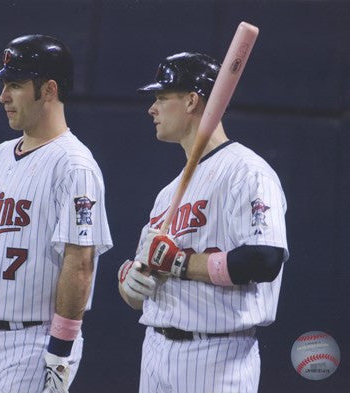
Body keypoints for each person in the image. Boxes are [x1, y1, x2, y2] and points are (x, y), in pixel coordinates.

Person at [118, 52, 288, 393]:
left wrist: (180, 263)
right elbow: (144, 283)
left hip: (218, 356)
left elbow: (264, 259)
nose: (152, 109)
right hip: (155, 348)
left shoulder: (246, 171)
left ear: (192, 100)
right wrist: (132, 282)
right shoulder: (167, 194)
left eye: (162, 98)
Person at [0, 34, 112, 393]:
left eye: (14, 85)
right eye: (4, 85)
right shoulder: (0, 155)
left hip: (31, 343)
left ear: (48, 89)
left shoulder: (75, 166)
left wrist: (60, 349)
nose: (3, 97)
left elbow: (80, 263)